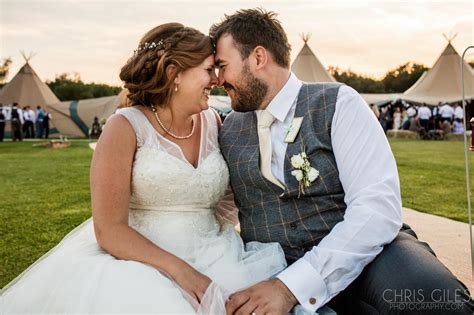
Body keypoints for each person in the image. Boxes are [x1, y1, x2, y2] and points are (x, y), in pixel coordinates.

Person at [0, 23, 287, 313]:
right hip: (138, 264)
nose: (216, 79)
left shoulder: (214, 122)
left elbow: (226, 197)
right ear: (175, 73)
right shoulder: (124, 126)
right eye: (208, 69)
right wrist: (182, 272)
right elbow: (109, 229)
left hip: (217, 255)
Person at [211, 8, 473, 314]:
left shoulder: (339, 103)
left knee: (435, 301)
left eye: (222, 66)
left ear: (258, 58)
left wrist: (292, 286)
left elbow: (377, 208)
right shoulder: (227, 127)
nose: (217, 79)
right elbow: (219, 206)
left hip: (369, 255)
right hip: (270, 262)